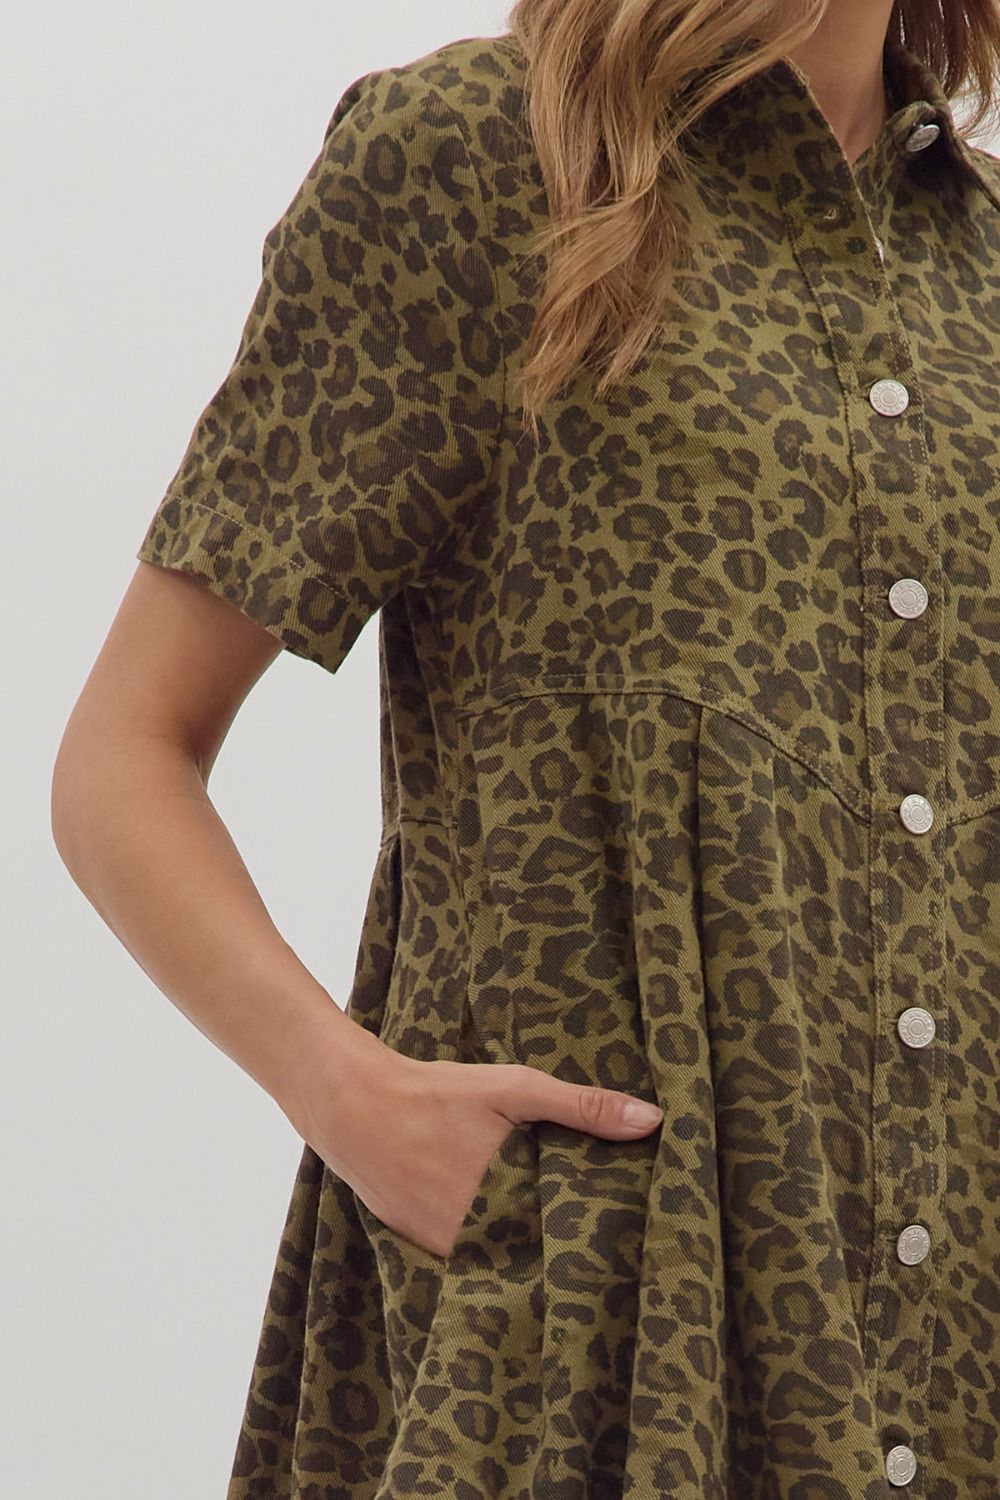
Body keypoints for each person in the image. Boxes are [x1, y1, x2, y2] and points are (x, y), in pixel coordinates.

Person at [50, 0, 1000, 1493]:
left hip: (955, 1350)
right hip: (581, 1344)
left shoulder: (982, 266)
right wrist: (350, 1098)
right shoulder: (480, 164)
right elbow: (125, 753)